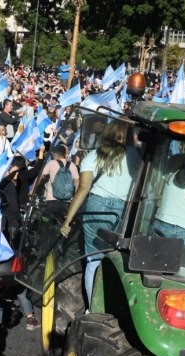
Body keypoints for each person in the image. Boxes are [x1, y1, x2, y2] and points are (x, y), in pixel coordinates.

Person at [60, 120, 140, 307]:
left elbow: (83, 189)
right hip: (123, 210)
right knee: (117, 260)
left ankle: (92, 309)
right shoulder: (135, 157)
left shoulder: (93, 156)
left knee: (94, 260)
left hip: (96, 206)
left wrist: (67, 221)